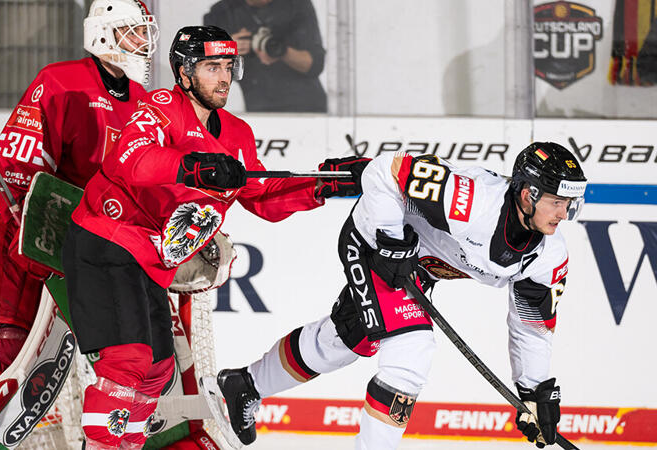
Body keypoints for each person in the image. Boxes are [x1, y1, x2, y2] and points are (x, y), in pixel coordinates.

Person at [61, 25, 367, 449]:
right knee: (127, 362)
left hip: (149, 264)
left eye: (228, 66)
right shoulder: (160, 105)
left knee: (157, 372)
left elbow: (262, 199)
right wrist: (192, 167)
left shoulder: (237, 134)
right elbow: (132, 161)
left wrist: (325, 184)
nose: (224, 77)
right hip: (106, 241)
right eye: (211, 67)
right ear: (184, 73)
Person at [215, 142, 588, 449]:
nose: (564, 212)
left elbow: (532, 326)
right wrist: (391, 238)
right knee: (411, 350)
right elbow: (385, 170)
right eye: (557, 201)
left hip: (417, 267)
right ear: (528, 193)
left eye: (569, 203)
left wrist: (534, 391)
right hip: (376, 241)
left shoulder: (549, 256)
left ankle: (246, 384)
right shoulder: (473, 202)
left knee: (346, 341)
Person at [0, 1, 158, 447]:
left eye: (144, 32)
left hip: (95, 250)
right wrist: (32, 227)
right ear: (103, 33)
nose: (143, 42)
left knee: (121, 355)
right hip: (32, 238)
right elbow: (17, 165)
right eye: (132, 31)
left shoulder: (145, 103)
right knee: (18, 349)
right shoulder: (61, 81)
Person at [203, 0, 327, 112]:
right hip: (258, 108)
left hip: (306, 107)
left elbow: (314, 64)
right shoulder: (222, 13)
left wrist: (282, 52)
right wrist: (225, 49)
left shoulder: (297, 5)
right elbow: (205, 72)